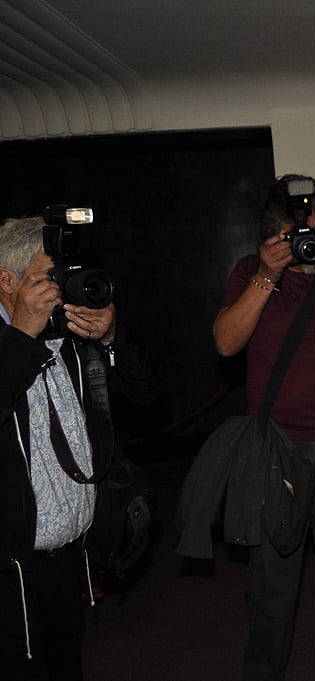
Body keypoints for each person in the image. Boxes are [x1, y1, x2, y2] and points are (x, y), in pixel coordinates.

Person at [213, 175, 315, 681]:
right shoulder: (249, 273)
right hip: (277, 451)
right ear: (273, 234)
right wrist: (267, 275)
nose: (312, 241)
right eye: (300, 232)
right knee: (274, 577)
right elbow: (226, 343)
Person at [0, 216, 156, 680]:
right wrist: (20, 336)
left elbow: (148, 392)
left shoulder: (66, 331)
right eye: (49, 278)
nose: (62, 287)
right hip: (10, 570)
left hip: (69, 557)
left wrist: (110, 338)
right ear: (6, 280)